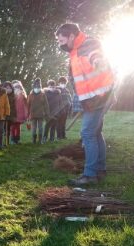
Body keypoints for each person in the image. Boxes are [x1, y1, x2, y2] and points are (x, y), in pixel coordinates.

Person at [55, 23, 115, 185]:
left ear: (72, 36)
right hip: (91, 99)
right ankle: (100, 170)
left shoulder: (88, 44)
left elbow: (96, 56)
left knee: (87, 133)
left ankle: (89, 175)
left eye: (62, 40)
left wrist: (98, 62)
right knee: (95, 133)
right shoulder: (74, 52)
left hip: (99, 97)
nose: (60, 44)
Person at [27, 78, 50, 144]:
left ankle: (40, 140)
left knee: (40, 128)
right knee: (34, 129)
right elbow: (28, 105)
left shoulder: (43, 95)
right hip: (33, 115)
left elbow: (46, 105)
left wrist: (47, 114)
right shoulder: (30, 95)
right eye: (36, 87)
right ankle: (34, 140)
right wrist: (27, 115)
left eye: (38, 87)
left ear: (40, 87)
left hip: (41, 115)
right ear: (33, 87)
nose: (37, 88)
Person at [1, 81, 16, 145]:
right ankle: (3, 142)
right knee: (3, 129)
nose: (8, 89)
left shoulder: (13, 96)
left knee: (8, 129)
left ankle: (7, 142)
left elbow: (15, 107)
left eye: (9, 88)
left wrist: (15, 115)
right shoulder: (2, 96)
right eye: (6, 88)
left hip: (11, 115)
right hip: (3, 115)